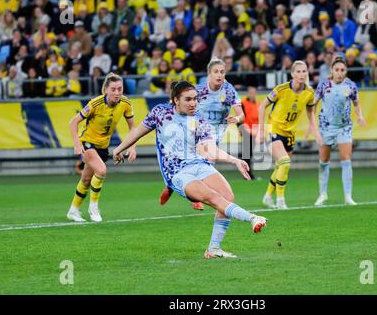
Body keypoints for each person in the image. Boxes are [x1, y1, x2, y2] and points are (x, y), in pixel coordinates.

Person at [113, 81, 267, 259]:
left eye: (195, 99)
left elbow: (210, 148)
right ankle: (251, 218)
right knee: (213, 198)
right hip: (178, 173)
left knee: (228, 196)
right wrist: (118, 150)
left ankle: (214, 249)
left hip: (199, 165)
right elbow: (138, 132)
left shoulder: (200, 119)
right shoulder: (160, 113)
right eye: (188, 99)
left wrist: (235, 160)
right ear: (175, 100)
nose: (193, 103)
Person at [159, 57, 245, 210]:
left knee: (206, 164)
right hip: (198, 131)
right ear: (208, 73)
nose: (219, 75)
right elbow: (178, 104)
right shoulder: (198, 90)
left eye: (222, 72)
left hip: (217, 133)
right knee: (204, 159)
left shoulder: (228, 90)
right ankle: (196, 196)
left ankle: (174, 187)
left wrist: (236, 118)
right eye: (216, 72)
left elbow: (241, 115)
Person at [67, 73, 137, 222]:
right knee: (101, 170)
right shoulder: (95, 104)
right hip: (87, 143)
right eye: (113, 89)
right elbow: (73, 122)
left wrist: (132, 147)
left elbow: (133, 128)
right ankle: (94, 208)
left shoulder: (126, 103)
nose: (117, 93)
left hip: (103, 146)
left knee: (86, 179)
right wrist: (77, 143)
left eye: (120, 89)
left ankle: (73, 211)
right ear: (105, 89)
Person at [257, 61, 320, 210]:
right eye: (298, 72)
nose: (301, 74)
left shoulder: (310, 93)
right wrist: (260, 129)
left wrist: (314, 129)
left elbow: (310, 112)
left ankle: (267, 196)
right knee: (285, 162)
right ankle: (280, 200)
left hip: (290, 134)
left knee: (281, 166)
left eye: (304, 71)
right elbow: (262, 106)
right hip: (273, 129)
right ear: (292, 74)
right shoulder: (281, 89)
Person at [312, 57, 366, 206]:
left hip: (344, 127)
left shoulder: (350, 86)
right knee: (323, 161)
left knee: (346, 159)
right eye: (337, 70)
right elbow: (313, 104)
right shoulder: (324, 85)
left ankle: (348, 196)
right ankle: (322, 194)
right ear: (332, 71)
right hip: (326, 127)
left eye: (342, 70)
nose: (339, 73)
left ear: (346, 71)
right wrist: (312, 125)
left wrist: (360, 116)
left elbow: (356, 102)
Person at [241, 86, 260, 180]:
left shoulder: (258, 104)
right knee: (246, 154)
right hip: (246, 131)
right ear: (248, 93)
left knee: (250, 154)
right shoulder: (243, 103)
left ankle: (248, 174)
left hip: (254, 132)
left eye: (254, 92)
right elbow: (241, 118)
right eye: (251, 92)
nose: (253, 94)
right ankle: (247, 174)